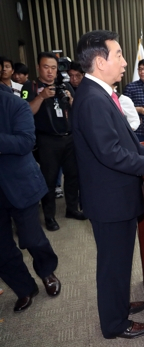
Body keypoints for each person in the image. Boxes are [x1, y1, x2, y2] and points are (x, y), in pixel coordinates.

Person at [72, 29, 144, 340]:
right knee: (112, 264)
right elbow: (109, 153)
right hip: (109, 200)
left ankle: (118, 305)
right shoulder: (92, 99)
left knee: (118, 260)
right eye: (119, 55)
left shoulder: (101, 93)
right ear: (100, 62)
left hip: (115, 196)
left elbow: (121, 140)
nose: (126, 62)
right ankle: (114, 324)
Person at [0, 57, 61, 313]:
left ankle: (47, 272)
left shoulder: (14, 103)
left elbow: (25, 142)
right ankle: (24, 288)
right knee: (2, 250)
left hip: (19, 184)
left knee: (32, 238)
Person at [22, 52, 85, 231]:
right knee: (49, 179)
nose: (50, 72)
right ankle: (49, 216)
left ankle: (72, 208)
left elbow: (77, 111)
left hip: (69, 137)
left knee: (73, 175)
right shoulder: (30, 86)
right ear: (38, 68)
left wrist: (71, 99)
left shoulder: (65, 85)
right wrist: (41, 97)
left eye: (53, 68)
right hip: (47, 140)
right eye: (46, 67)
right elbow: (26, 112)